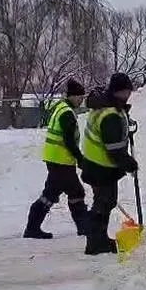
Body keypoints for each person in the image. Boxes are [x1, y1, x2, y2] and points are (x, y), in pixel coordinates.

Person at [78, 72, 139, 255]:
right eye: (125, 91)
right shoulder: (110, 114)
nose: (128, 95)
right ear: (118, 91)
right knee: (104, 203)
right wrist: (129, 164)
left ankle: (98, 239)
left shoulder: (104, 107)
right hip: (101, 167)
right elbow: (114, 148)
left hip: (96, 164)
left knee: (105, 202)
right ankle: (95, 242)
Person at [23, 78, 90, 239]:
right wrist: (80, 158)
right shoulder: (66, 113)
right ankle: (83, 226)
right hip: (61, 161)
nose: (81, 101)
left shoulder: (61, 107)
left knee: (53, 194)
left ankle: (33, 227)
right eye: (80, 97)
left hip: (56, 160)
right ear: (73, 96)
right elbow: (68, 140)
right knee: (73, 192)